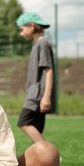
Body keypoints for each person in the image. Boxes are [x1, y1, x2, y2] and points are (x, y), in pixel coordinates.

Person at [16, 12, 56, 143]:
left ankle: (48, 154)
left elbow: (49, 70)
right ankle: (44, 159)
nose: (21, 33)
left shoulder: (42, 44)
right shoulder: (37, 45)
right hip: (35, 93)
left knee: (24, 122)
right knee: (37, 128)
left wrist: (46, 96)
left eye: (22, 29)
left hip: (38, 95)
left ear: (31, 26)